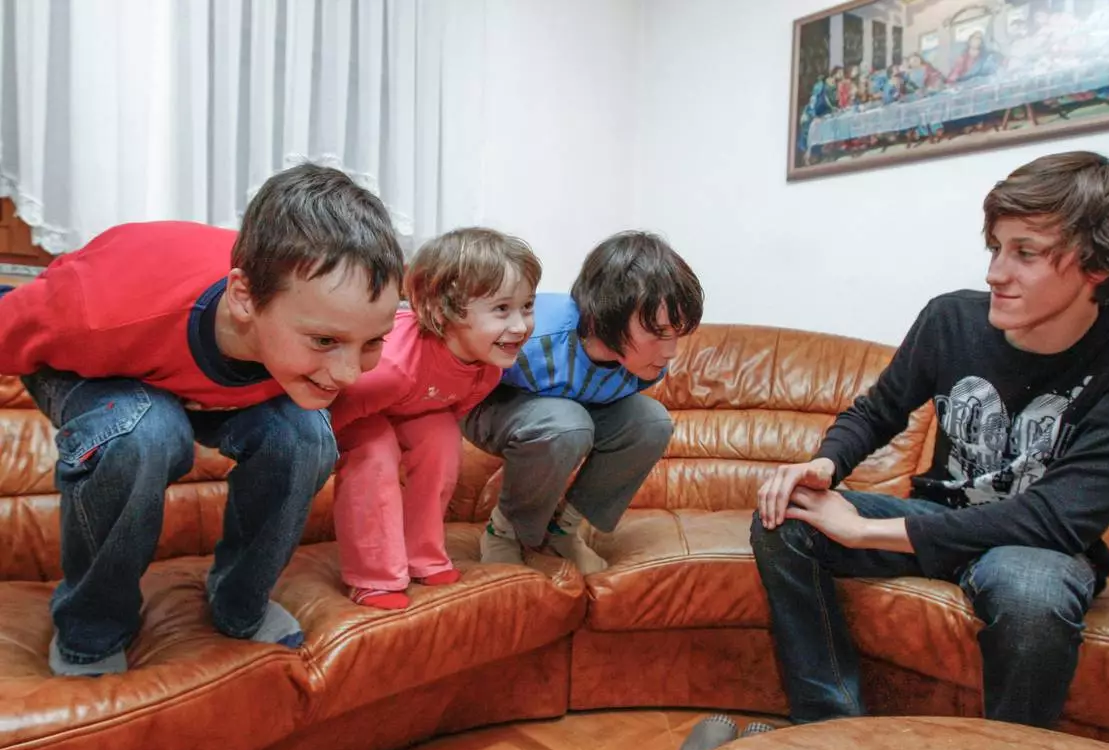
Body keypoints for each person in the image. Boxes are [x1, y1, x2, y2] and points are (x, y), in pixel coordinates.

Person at [750, 151, 1109, 730]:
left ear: (1099, 264)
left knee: (1032, 593)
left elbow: (1060, 519)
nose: (995, 273)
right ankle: (829, 727)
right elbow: (878, 411)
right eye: (996, 248)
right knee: (786, 517)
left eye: (1025, 253)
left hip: (1034, 546)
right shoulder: (951, 320)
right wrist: (825, 466)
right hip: (938, 516)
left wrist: (864, 530)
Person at [0, 163, 404, 676]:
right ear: (244, 299)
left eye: (371, 343)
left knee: (305, 435)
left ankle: (240, 603)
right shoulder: (96, 307)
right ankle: (90, 628)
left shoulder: (317, 320)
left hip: (211, 389)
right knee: (143, 431)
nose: (348, 373)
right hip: (98, 375)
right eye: (324, 341)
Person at [462, 230, 704, 574]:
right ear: (605, 317)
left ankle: (562, 532)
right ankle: (503, 532)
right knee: (567, 422)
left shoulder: (646, 367)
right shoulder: (530, 338)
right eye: (658, 333)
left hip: (568, 415)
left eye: (678, 334)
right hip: (490, 406)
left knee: (650, 421)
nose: (671, 352)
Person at [329, 228, 541, 610]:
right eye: (501, 309)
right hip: (352, 408)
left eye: (527, 306)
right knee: (376, 451)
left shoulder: (489, 369)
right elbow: (329, 417)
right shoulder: (393, 367)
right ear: (443, 311)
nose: (520, 325)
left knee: (442, 440)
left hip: (408, 406)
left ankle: (421, 555)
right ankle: (373, 577)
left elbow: (448, 410)